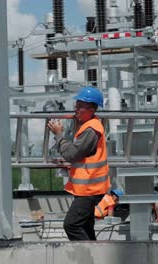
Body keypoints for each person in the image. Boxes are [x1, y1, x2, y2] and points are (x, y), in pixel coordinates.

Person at [47, 86, 110, 241]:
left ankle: (86, 257)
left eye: (81, 107)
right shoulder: (89, 125)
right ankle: (95, 255)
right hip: (88, 188)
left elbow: (72, 154)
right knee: (85, 226)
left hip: (90, 189)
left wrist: (59, 135)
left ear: (93, 109)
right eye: (77, 105)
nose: (77, 110)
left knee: (72, 225)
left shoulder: (91, 130)